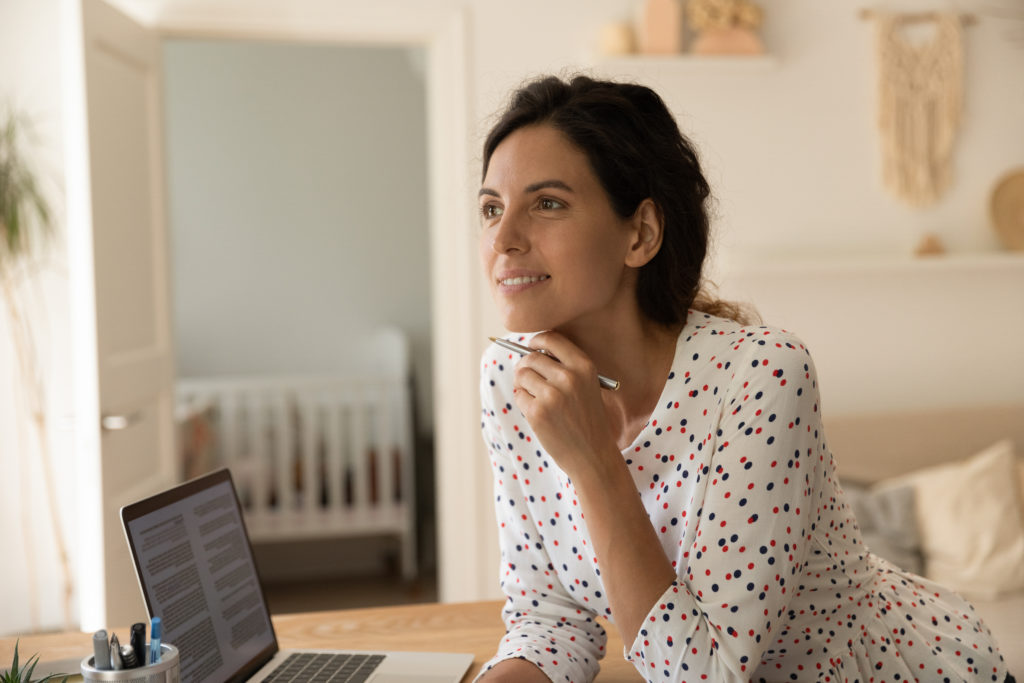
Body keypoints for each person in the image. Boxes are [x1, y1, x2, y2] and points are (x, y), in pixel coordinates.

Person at [474, 74, 1011, 682]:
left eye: (547, 204)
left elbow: (707, 674)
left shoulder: (761, 377)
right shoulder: (508, 376)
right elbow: (550, 622)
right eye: (492, 207)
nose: (502, 238)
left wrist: (595, 462)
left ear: (641, 233)